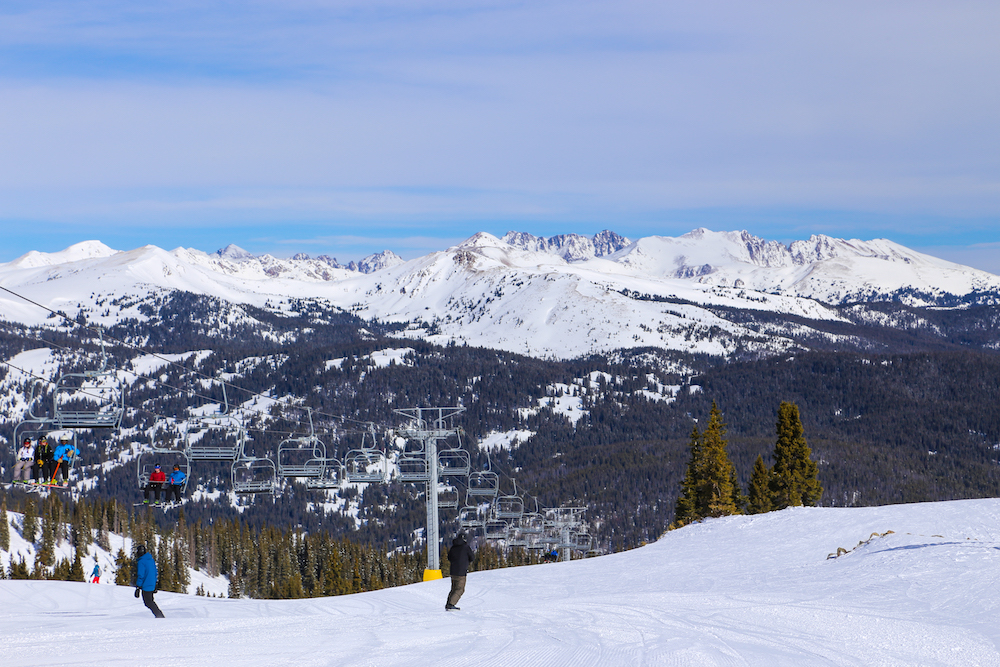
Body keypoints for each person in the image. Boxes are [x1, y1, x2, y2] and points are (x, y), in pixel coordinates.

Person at [445, 530, 477, 611]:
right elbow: (472, 557)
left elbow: (449, 557)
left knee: (454, 588)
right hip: (461, 571)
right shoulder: (466, 547)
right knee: (460, 589)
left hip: (453, 571)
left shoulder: (453, 547)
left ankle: (449, 603)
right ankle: (451, 604)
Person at [134, 544, 164, 618]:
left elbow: (141, 575)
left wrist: (138, 587)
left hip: (146, 585)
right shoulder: (150, 560)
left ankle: (160, 616)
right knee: (150, 601)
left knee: (148, 602)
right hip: (152, 583)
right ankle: (159, 615)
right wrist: (155, 583)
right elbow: (155, 572)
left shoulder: (141, 562)